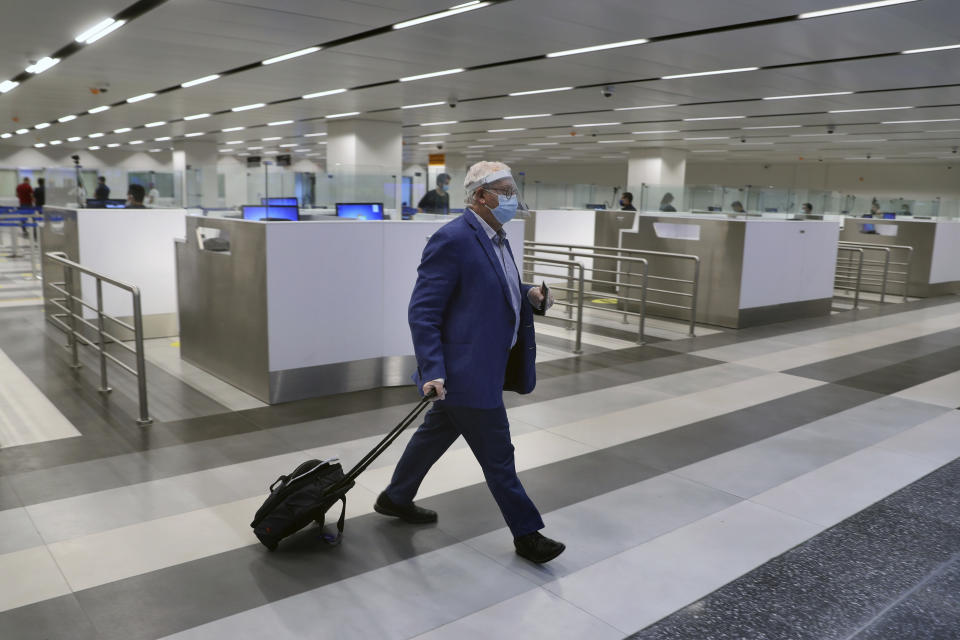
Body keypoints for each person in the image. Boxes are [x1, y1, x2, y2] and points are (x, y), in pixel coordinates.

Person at [376, 160, 565, 564]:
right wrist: (434, 370)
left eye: (513, 192)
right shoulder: (453, 239)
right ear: (480, 196)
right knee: (499, 456)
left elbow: (497, 284)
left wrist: (529, 293)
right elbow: (423, 312)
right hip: (465, 374)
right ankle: (527, 534)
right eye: (505, 192)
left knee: (434, 434)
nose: (513, 200)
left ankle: (395, 496)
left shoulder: (497, 235)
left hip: (487, 364)